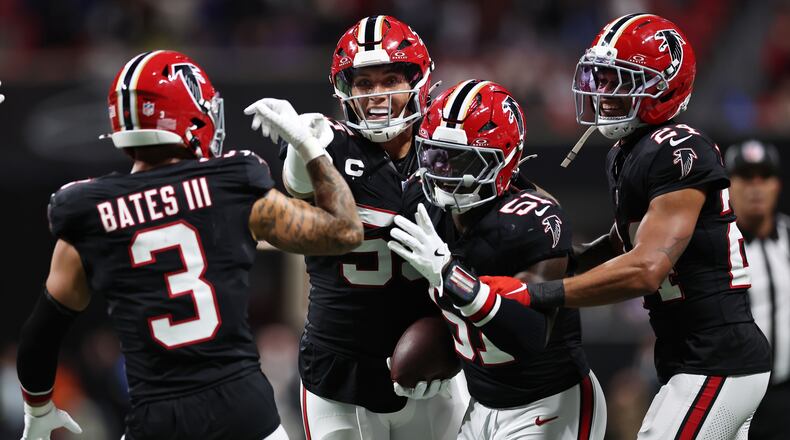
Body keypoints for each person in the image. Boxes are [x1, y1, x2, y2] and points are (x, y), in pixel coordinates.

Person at [390, 13, 772, 440]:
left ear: (666, 84)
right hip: (690, 355)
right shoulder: (629, 153)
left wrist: (538, 292)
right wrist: (574, 259)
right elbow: (624, 240)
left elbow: (646, 268)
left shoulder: (676, 148)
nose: (604, 93)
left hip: (717, 356)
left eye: (620, 80)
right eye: (601, 78)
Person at [16, 50, 362, 440]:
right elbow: (346, 232)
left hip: (157, 422)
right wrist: (310, 149)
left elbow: (39, 336)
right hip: (245, 415)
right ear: (191, 112)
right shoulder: (231, 186)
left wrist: (38, 409)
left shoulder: (89, 214)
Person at [245, 15, 466, 440]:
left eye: (389, 80)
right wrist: (302, 145)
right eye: (364, 84)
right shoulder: (329, 145)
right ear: (346, 92)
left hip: (432, 369)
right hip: (340, 376)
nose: (378, 95)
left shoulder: (448, 148)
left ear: (418, 81)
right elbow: (299, 182)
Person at [388, 79, 606, 439]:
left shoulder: (533, 220)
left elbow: (532, 334)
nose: (445, 174)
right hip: (480, 402)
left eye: (462, 159)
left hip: (548, 403)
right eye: (436, 156)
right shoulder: (422, 202)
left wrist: (450, 276)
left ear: (504, 161)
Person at [725, 140, 789, 440]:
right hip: (729, 396)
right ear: (729, 186)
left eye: (764, 177)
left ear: (777, 185)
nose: (756, 187)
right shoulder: (715, 246)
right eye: (746, 177)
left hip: (784, 394)